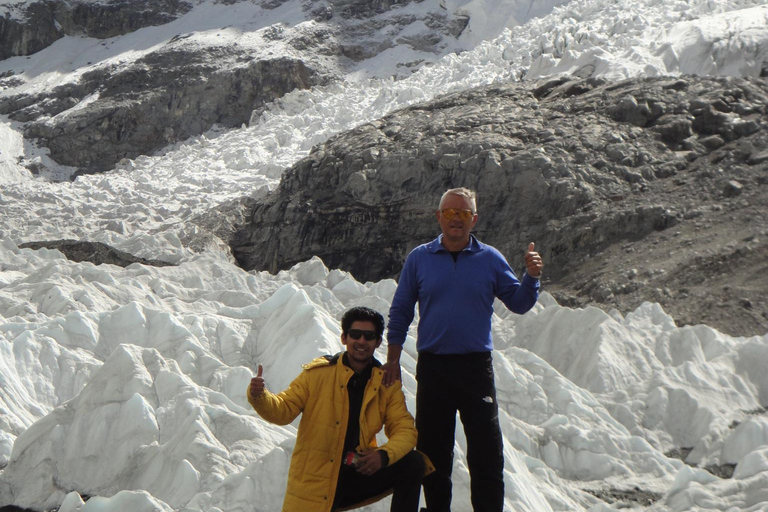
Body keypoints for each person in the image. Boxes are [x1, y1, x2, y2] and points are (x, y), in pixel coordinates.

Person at [383, 187, 543, 512]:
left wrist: (532, 277)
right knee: (433, 453)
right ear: (438, 216)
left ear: (475, 219)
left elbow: (520, 303)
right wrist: (393, 360)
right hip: (433, 368)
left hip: (475, 368)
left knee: (486, 452)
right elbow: (401, 310)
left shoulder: (490, 259)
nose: (457, 219)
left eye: (464, 213)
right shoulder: (419, 259)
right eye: (451, 212)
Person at [247, 306, 430, 512]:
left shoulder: (386, 384)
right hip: (317, 480)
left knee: (413, 463)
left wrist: (383, 456)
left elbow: (405, 429)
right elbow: (283, 410)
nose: (361, 341)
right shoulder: (317, 374)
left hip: (354, 473)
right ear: (344, 338)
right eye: (355, 334)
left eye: (369, 336)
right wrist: (259, 396)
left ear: (378, 342)